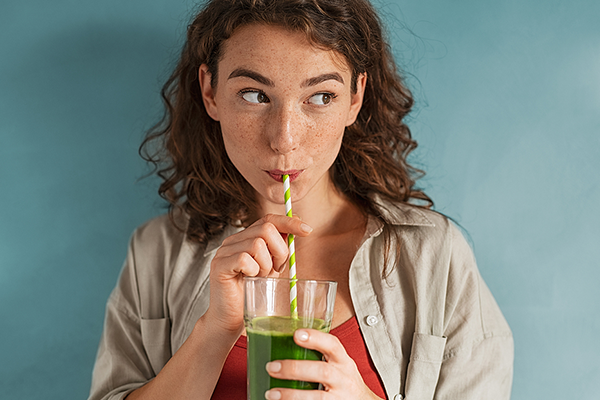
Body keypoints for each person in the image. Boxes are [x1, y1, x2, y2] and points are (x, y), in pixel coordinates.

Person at [88, 0, 514, 399]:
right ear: (210, 91)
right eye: (254, 95)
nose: (285, 139)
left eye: (321, 97)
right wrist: (215, 329)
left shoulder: (433, 255)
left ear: (355, 97)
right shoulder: (155, 253)